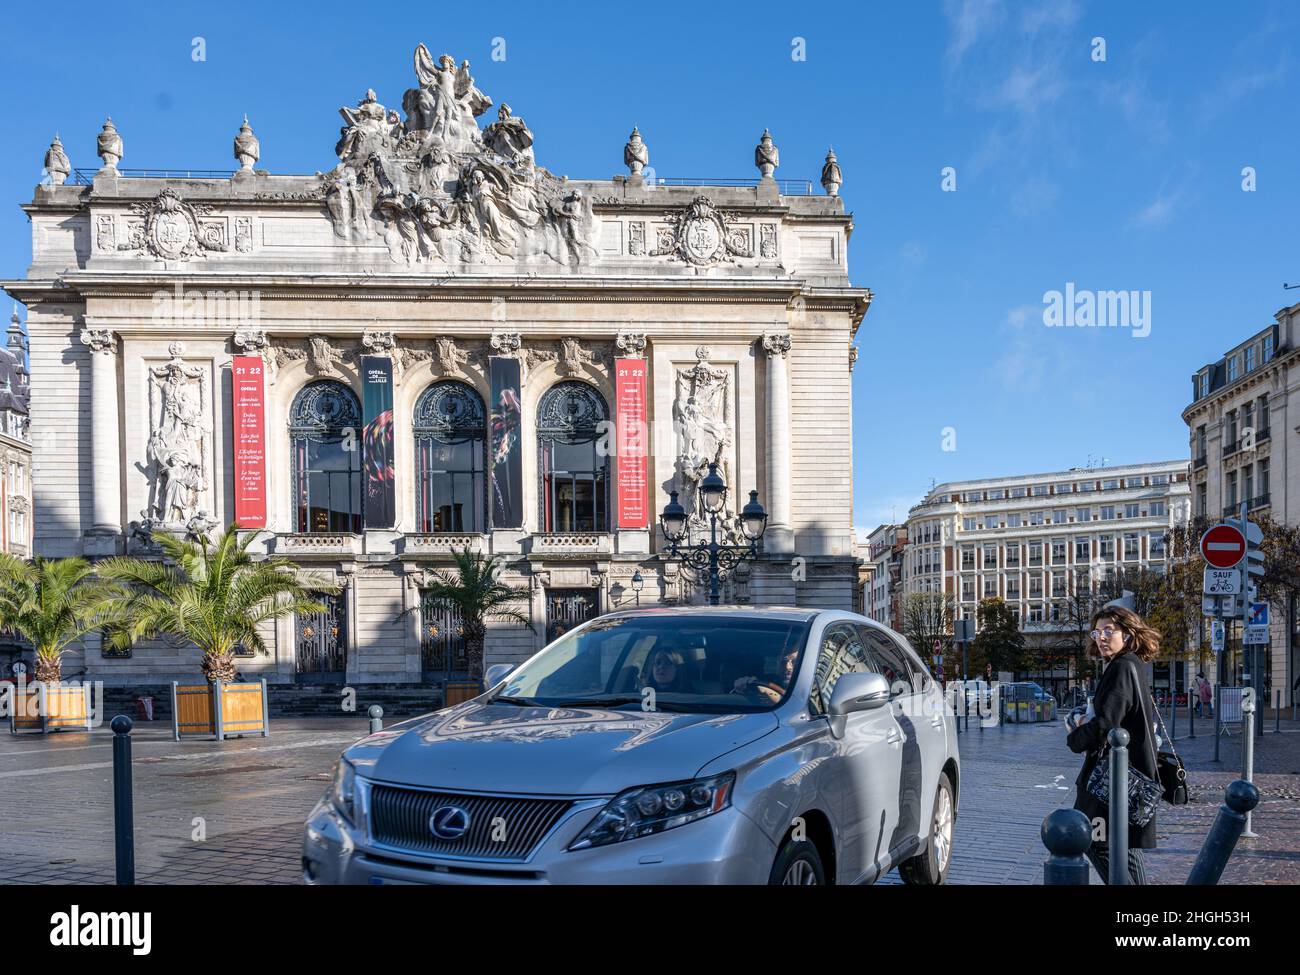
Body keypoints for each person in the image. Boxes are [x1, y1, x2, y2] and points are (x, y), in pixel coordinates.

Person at [1065, 606, 1161, 885]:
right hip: (1130, 776)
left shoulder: (1121, 668)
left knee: (1095, 840)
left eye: (1110, 631)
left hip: (1113, 781)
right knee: (1125, 846)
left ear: (1128, 635)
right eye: (1097, 632)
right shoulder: (1132, 664)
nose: (1102, 638)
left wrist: (1075, 735)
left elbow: (1105, 725)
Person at [732, 646, 800, 705]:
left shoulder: (808, 691)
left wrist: (768, 691)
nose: (788, 667)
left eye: (795, 662)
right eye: (783, 662)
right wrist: (741, 687)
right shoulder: (767, 680)